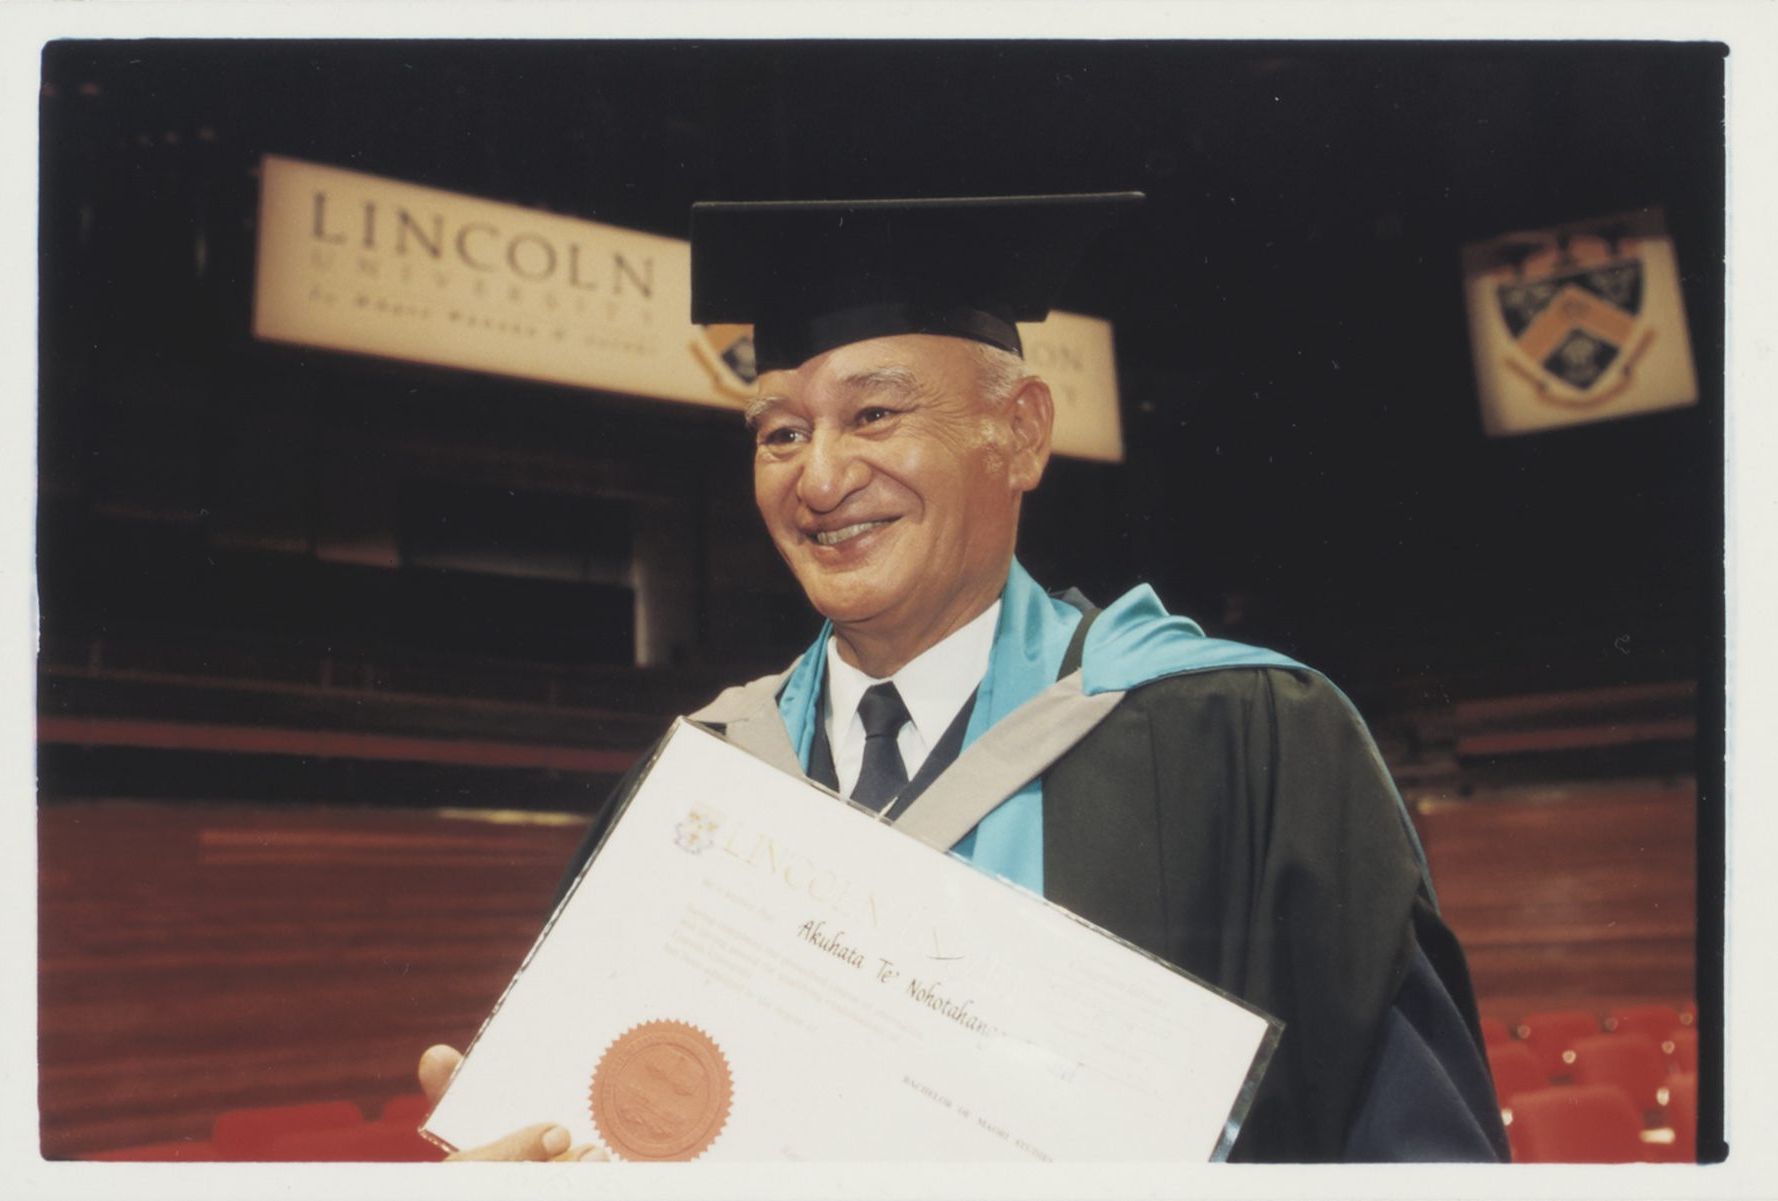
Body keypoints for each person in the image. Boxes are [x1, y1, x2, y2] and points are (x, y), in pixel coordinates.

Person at [418, 194, 1509, 1163]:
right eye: (780, 432)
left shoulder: (1243, 740)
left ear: (1020, 433)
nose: (823, 476)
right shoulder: (698, 778)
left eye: (875, 414)